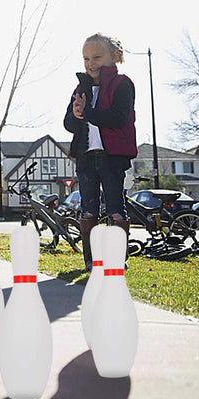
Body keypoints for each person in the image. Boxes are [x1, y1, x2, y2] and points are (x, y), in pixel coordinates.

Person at [63, 33, 137, 271]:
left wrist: (88, 113)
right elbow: (68, 123)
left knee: (116, 207)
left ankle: (117, 259)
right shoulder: (80, 86)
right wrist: (75, 115)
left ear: (114, 57)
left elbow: (119, 117)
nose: (90, 63)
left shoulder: (122, 84)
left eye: (96, 56)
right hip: (86, 157)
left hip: (112, 157)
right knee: (88, 209)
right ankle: (91, 260)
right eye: (86, 58)